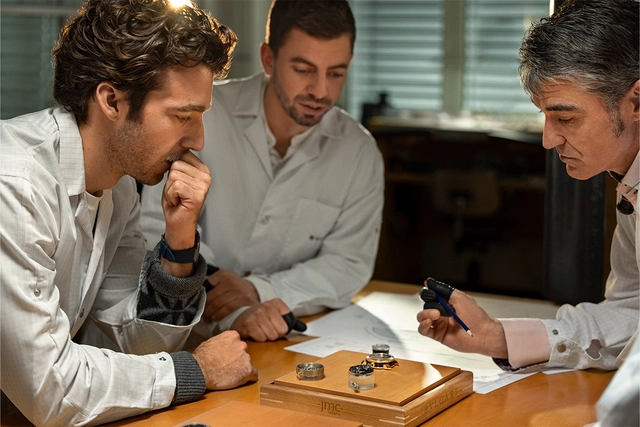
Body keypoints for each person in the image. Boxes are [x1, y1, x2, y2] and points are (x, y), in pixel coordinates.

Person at [0, 0, 259, 425]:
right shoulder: (16, 185)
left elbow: (132, 344)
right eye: (182, 115)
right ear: (111, 100)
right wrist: (196, 372)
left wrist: (179, 242)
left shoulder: (119, 187)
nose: (197, 139)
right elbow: (50, 389)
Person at [418, 0, 638, 425]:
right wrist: (498, 337)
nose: (547, 139)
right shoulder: (630, 179)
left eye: (565, 118)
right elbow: (632, 313)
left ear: (636, 102)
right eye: (544, 116)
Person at [139, 0, 385, 342]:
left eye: (336, 73)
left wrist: (256, 289)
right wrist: (215, 285)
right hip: (186, 336)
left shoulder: (360, 153)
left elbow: (348, 262)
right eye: (303, 69)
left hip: (283, 339)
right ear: (268, 59)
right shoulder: (200, 116)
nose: (321, 90)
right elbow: (154, 226)